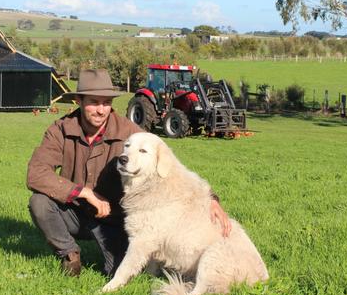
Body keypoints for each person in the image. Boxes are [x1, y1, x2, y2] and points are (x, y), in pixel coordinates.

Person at [26, 69, 231, 277]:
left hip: (114, 220)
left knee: (117, 272)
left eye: (106, 103)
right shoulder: (61, 129)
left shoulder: (131, 133)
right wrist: (85, 192)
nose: (101, 110)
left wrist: (210, 199)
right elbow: (36, 173)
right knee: (39, 203)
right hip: (75, 212)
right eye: (94, 102)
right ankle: (69, 254)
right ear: (79, 100)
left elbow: (172, 167)